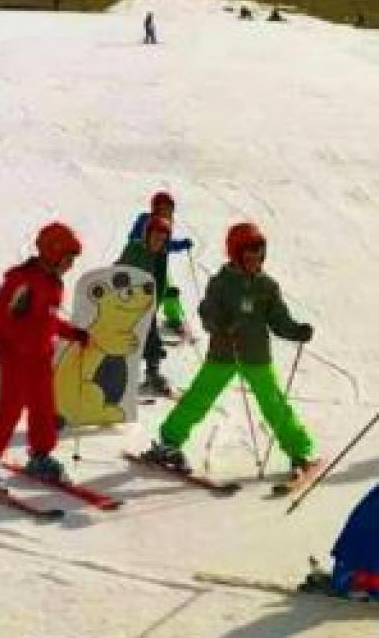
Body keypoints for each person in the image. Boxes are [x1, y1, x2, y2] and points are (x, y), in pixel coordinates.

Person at [140, 222, 318, 482]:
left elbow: (278, 319)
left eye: (259, 254)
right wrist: (219, 324)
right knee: (198, 398)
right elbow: (207, 312)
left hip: (256, 356)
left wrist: (295, 331)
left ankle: (299, 451)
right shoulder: (221, 283)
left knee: (274, 405)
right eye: (249, 254)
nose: (255, 259)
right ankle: (170, 442)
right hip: (224, 354)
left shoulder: (267, 286)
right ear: (236, 254)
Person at [0, 224, 89, 487]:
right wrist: (16, 342)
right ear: (52, 252)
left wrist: (72, 333)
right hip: (17, 355)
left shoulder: (53, 282)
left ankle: (40, 456)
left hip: (40, 357)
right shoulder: (22, 280)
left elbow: (47, 320)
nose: (70, 265)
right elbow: (0, 316)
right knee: (11, 405)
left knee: (44, 405)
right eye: (68, 259)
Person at [117, 215, 173, 396]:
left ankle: (152, 375)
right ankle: (113, 378)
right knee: (123, 341)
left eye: (162, 240)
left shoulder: (160, 256)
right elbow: (119, 270)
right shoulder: (134, 249)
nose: (158, 242)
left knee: (152, 340)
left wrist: (154, 305)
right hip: (126, 305)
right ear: (147, 235)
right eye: (155, 238)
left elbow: (160, 282)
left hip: (146, 305)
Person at [128, 191, 193, 339]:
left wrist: (181, 244)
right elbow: (133, 237)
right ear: (155, 208)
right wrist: (143, 244)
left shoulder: (166, 224)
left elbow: (166, 245)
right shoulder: (145, 219)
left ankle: (174, 319)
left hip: (159, 264)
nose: (166, 211)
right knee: (142, 291)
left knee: (168, 291)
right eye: (163, 208)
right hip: (141, 263)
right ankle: (136, 320)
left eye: (169, 209)